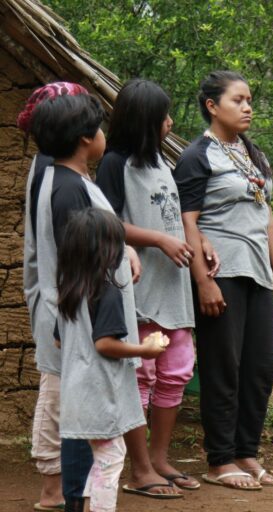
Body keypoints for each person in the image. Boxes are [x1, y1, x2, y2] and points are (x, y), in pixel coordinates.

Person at [95, 79, 218, 491]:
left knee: (176, 373)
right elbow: (107, 223)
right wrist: (160, 240)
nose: (170, 122)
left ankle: (161, 459)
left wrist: (199, 241)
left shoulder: (162, 162)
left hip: (174, 289)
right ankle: (139, 467)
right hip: (140, 291)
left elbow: (178, 216)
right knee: (142, 376)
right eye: (162, 115)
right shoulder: (115, 164)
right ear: (143, 121)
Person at [174, 70, 273, 491]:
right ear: (211, 106)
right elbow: (188, 220)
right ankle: (219, 459)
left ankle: (246, 451)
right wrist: (202, 281)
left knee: (262, 365)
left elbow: (266, 216)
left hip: (258, 272)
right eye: (238, 100)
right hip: (223, 274)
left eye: (249, 100)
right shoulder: (197, 156)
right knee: (224, 366)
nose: (247, 107)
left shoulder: (252, 154)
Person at [54, 208, 167, 512]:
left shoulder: (69, 291)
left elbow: (58, 339)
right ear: (108, 250)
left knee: (78, 463)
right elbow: (105, 344)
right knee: (110, 458)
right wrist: (143, 350)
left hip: (73, 393)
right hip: (99, 394)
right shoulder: (107, 292)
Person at [18, 81, 94, 512]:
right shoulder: (52, 169)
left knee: (64, 387)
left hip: (60, 296)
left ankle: (65, 483)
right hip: (55, 299)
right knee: (56, 388)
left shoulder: (57, 166)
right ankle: (51, 485)